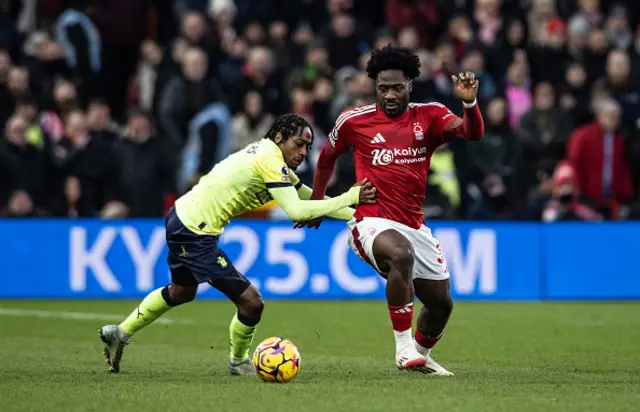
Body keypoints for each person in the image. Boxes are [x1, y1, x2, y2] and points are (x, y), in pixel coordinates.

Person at [99, 114, 376, 374]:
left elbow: (312, 200)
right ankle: (239, 361)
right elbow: (297, 211)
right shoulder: (269, 160)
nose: (304, 153)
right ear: (280, 137)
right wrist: (350, 197)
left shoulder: (271, 158)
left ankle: (120, 333)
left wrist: (359, 214)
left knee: (182, 292)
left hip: (182, 218)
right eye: (299, 144)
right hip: (195, 230)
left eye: (308, 147)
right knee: (252, 303)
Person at [299, 46, 484, 374]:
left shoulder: (430, 116)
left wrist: (469, 103)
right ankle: (403, 348)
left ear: (410, 84)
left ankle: (421, 357)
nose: (390, 94)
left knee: (441, 305)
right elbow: (326, 157)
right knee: (400, 254)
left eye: (397, 87)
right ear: (374, 86)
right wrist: (316, 203)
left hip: (413, 223)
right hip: (369, 221)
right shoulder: (354, 121)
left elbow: (472, 133)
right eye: (383, 88)